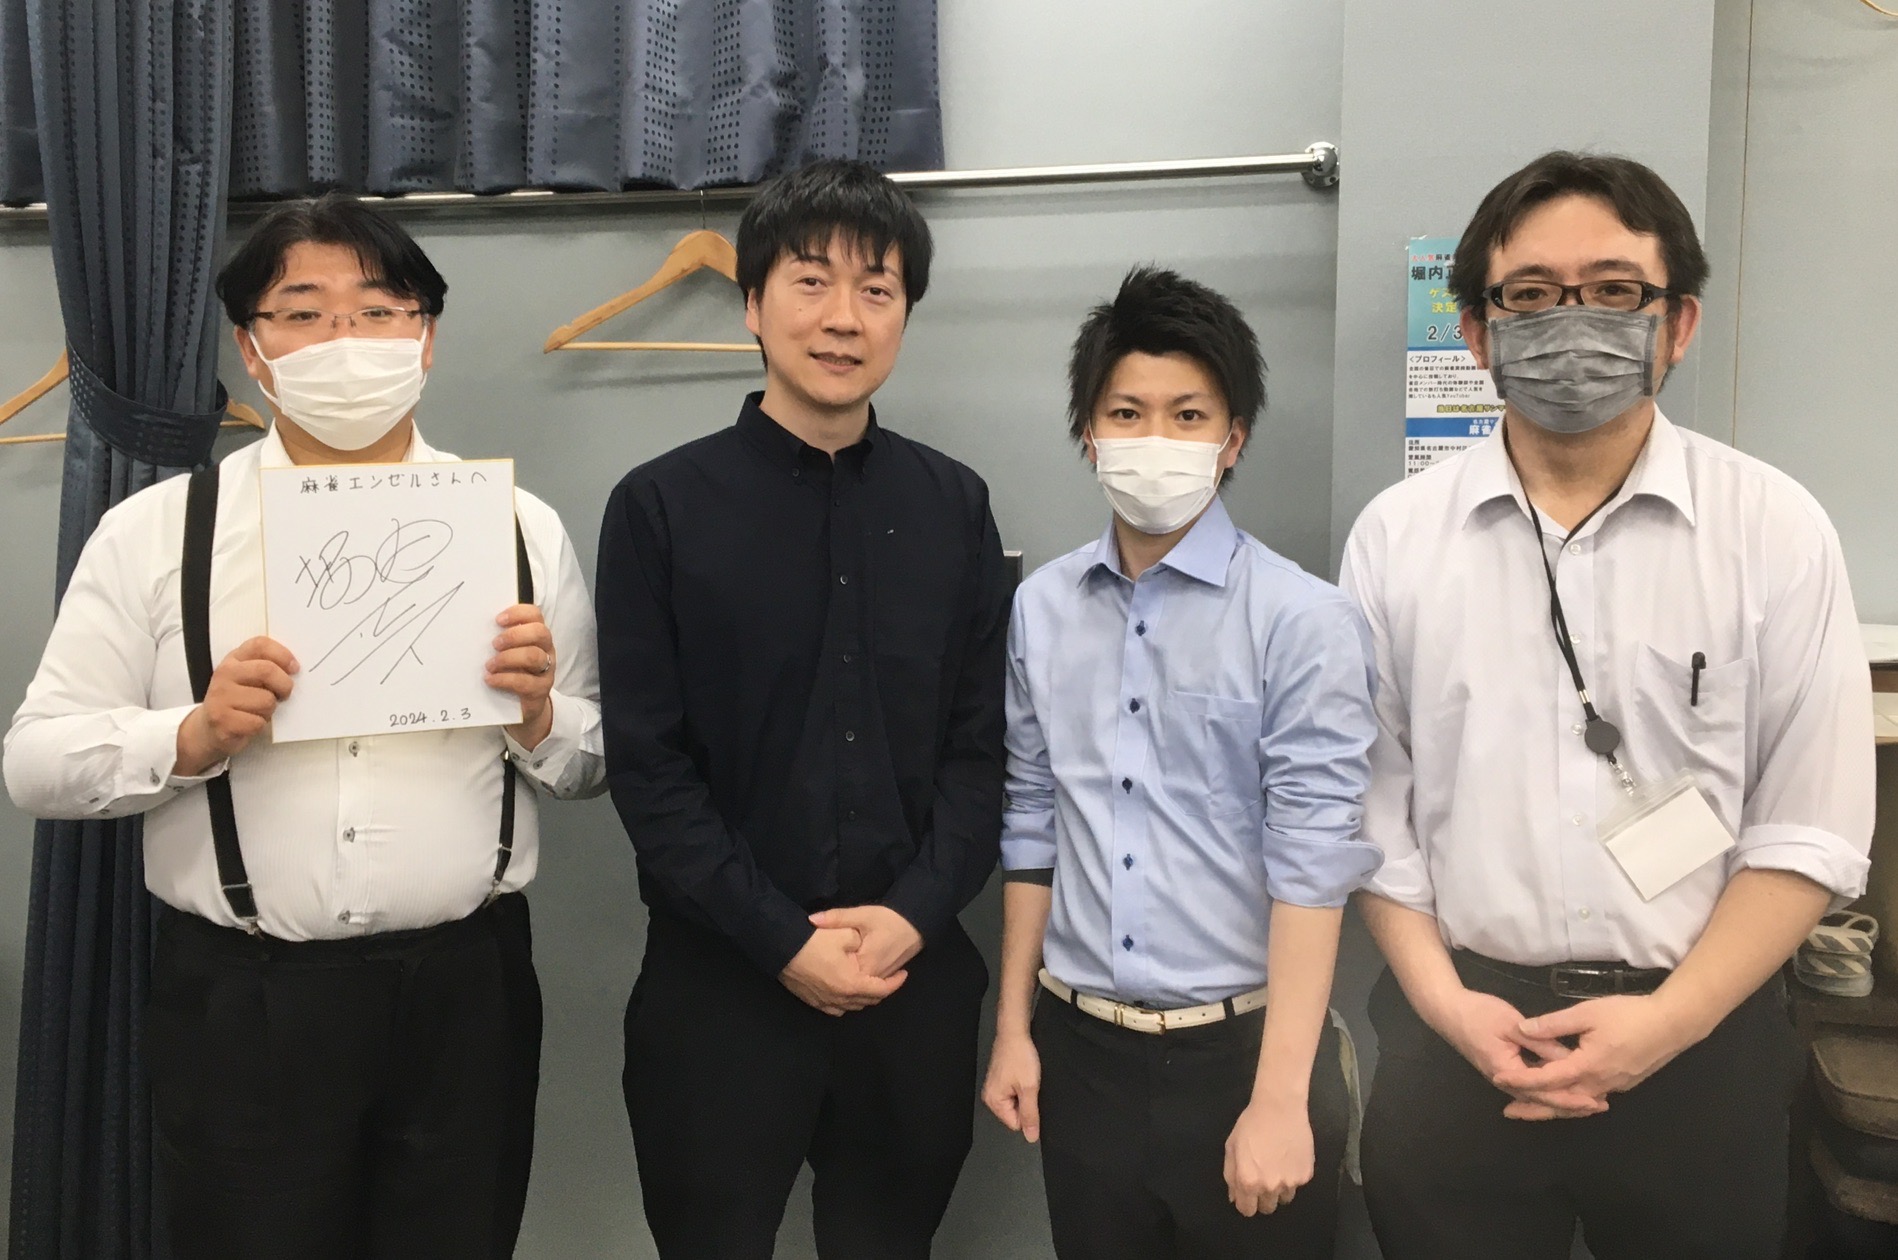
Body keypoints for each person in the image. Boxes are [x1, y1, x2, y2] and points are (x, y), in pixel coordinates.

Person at [4, 194, 604, 1259]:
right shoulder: (156, 533)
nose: (345, 341)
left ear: (426, 336)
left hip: (466, 994)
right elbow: (35, 763)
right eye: (303, 313)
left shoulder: (519, 528)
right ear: (251, 347)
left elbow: (592, 760)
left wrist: (538, 716)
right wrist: (188, 738)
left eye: (378, 310)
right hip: (244, 1004)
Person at [1340, 151, 1874, 1260]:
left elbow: (1809, 824)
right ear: (1477, 333)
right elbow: (1370, 815)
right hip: (1458, 1041)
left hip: (1701, 1045)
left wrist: (1666, 1025)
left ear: (1677, 323)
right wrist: (1448, 1008)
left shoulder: (1773, 530)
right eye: (1530, 294)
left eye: (1614, 290)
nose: (1570, 323)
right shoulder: (1395, 539)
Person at [595, 158, 1007, 1259]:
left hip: (910, 984)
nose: (843, 318)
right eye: (811, 281)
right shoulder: (658, 508)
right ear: (752, 303)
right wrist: (781, 939)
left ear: (905, 314)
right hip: (719, 990)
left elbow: (982, 755)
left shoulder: (954, 506)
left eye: (877, 289)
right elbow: (648, 768)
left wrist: (913, 915)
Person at [980, 266, 1380, 1259]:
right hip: (1079, 1053)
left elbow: (1312, 868)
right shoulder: (1041, 609)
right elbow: (1031, 824)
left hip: (1244, 1055)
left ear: (1231, 438)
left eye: (1187, 414)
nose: (1153, 439)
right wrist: (1013, 1028)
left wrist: (1280, 1100)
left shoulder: (1302, 619)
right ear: (1088, 431)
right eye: (1127, 412)